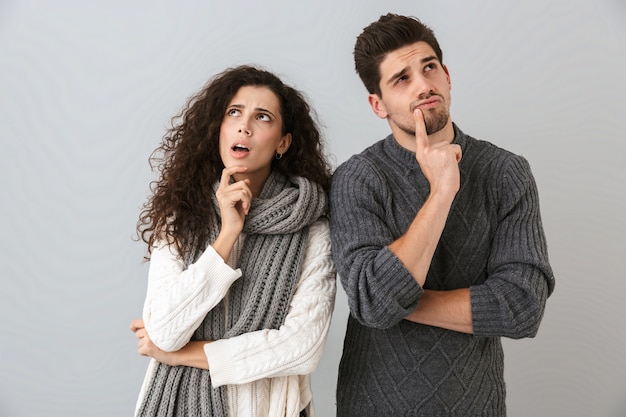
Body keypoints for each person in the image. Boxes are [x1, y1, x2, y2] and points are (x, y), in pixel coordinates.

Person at [329, 13, 555, 416]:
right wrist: (442, 193)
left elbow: (522, 306)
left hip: (475, 405)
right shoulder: (357, 179)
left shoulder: (505, 172)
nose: (423, 85)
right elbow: (373, 304)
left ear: (447, 76)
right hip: (373, 406)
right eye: (402, 78)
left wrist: (402, 300)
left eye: (429, 67)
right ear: (377, 105)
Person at [130, 65, 336, 417]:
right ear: (219, 129)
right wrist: (227, 235)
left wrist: (180, 355)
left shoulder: (312, 230)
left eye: (263, 117)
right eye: (234, 113)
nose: (245, 125)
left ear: (283, 142)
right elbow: (164, 330)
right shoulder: (180, 218)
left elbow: (301, 347)